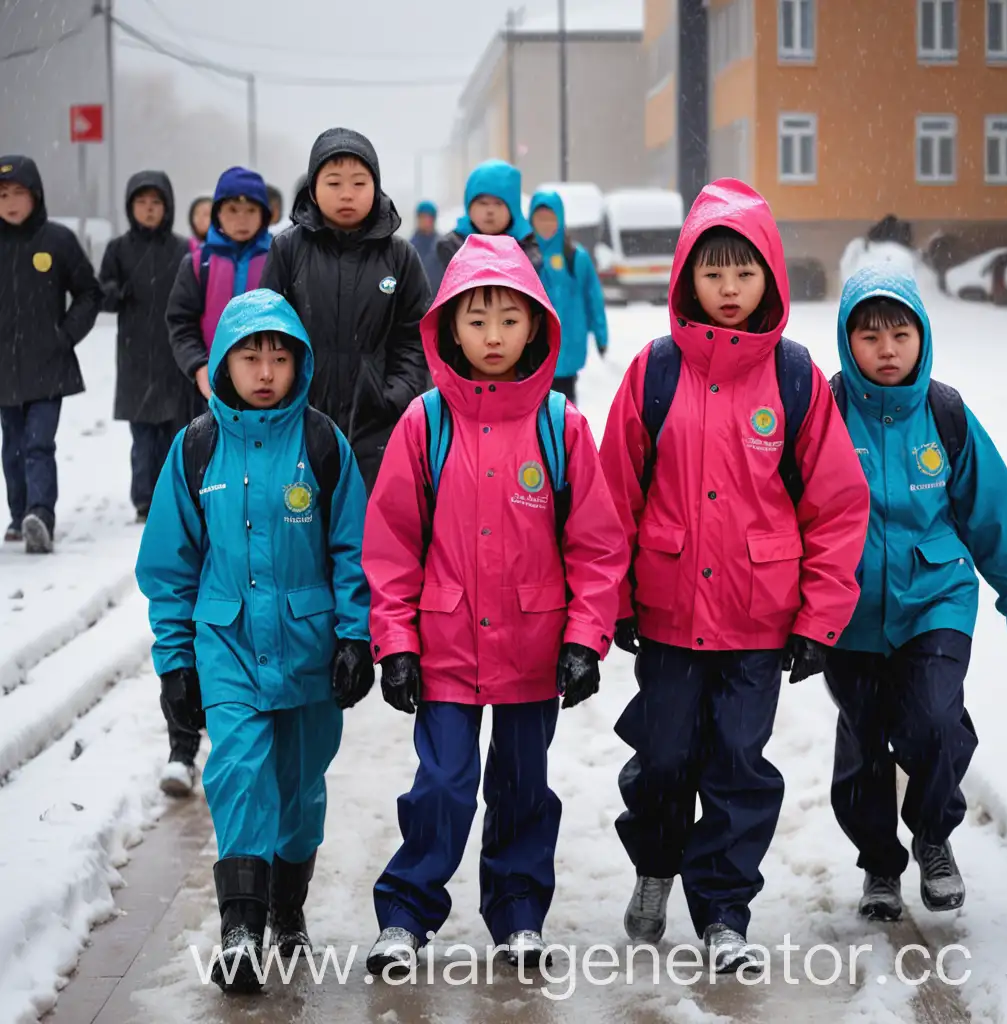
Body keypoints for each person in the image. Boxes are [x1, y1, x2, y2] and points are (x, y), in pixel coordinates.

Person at [599, 178, 870, 972]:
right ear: (687, 278)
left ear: (769, 280)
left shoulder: (793, 378)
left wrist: (820, 618)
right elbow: (613, 499)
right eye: (712, 273)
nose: (727, 288)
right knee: (664, 756)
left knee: (738, 766)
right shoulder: (655, 373)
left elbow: (835, 506)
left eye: (743, 273)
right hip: (671, 616)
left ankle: (723, 909)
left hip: (758, 619)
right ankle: (655, 863)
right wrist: (614, 601)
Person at [361, 233, 628, 975]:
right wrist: (396, 642)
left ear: (537, 326)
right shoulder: (426, 423)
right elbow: (389, 544)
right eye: (476, 320)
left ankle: (517, 912)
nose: (492, 336)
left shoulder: (560, 425)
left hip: (531, 647)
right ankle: (407, 913)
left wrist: (585, 637)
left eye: (509, 320)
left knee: (521, 786)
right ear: (448, 326)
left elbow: (597, 546)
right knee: (443, 785)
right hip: (443, 646)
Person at [135, 288, 373, 994]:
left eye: (278, 356)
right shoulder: (195, 448)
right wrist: (176, 660)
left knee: (298, 795)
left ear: (298, 363)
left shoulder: (324, 445)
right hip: (228, 643)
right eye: (249, 356)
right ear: (224, 363)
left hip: (308, 648)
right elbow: (170, 566)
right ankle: (240, 929)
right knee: (238, 773)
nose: (265, 370)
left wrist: (354, 638)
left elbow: (353, 550)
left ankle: (287, 903)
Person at [823, 266, 1007, 922]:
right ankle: (880, 863)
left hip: (935, 598)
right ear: (846, 340)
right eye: (870, 335)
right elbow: (786, 515)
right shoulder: (823, 413)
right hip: (848, 613)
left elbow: (993, 518)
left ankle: (933, 835)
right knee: (864, 746)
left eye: (900, 334)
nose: (886, 349)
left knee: (934, 721)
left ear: (922, 337)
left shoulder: (946, 414)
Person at [260, 128, 430, 491]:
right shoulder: (288, 250)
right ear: (313, 188)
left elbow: (415, 336)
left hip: (378, 424)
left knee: (369, 532)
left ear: (376, 186)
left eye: (359, 182)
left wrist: (396, 394)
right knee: (302, 526)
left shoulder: (400, 257)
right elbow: (268, 331)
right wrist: (284, 394)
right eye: (334, 182)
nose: (347, 194)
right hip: (299, 419)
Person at [0, 156, 101, 553]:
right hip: (4, 369)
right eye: (2, 194)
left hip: (47, 366)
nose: (10, 202)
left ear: (36, 196)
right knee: (13, 446)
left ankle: (40, 515)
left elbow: (90, 292)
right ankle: (19, 513)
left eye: (18, 194)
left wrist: (65, 335)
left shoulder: (57, 241)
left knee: (39, 442)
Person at [99, 170, 193, 524]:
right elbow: (101, 295)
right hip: (136, 355)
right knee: (142, 437)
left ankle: (171, 495)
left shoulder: (183, 249)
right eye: (142, 202)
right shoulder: (118, 249)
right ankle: (144, 498)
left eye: (156, 202)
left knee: (175, 433)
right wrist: (113, 292)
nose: (149, 209)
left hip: (174, 355)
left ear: (167, 207)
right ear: (130, 207)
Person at [167, 167, 272, 416]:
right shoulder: (197, 263)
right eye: (232, 210)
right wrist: (198, 366)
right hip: (209, 390)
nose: (242, 219)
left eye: (251, 211)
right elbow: (181, 323)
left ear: (264, 215)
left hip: (267, 388)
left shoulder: (278, 260)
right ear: (217, 214)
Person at [528, 190, 608, 404]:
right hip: (533, 350)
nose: (546, 224)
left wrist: (601, 335)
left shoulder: (575, 257)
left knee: (564, 408)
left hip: (568, 348)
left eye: (551, 218)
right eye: (540, 218)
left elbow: (593, 296)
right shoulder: (524, 255)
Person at [436, 159, 538, 272]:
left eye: (498, 204)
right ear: (469, 207)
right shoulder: (452, 248)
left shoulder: (530, 249)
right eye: (483, 203)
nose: (490, 211)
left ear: (513, 209)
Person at [409, 199, 443, 296]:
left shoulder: (442, 245)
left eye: (429, 217)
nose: (426, 221)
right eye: (422, 217)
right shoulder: (409, 247)